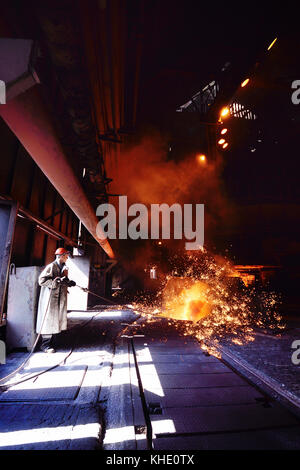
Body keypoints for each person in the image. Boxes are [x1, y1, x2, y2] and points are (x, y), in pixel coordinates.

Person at [36, 247, 76, 353]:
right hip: (50, 299)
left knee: (57, 319)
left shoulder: (63, 267)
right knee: (48, 320)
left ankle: (54, 342)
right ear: (61, 256)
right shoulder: (51, 266)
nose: (67, 258)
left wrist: (69, 283)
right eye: (66, 256)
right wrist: (56, 282)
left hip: (59, 298)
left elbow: (63, 280)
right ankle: (45, 346)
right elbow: (41, 280)